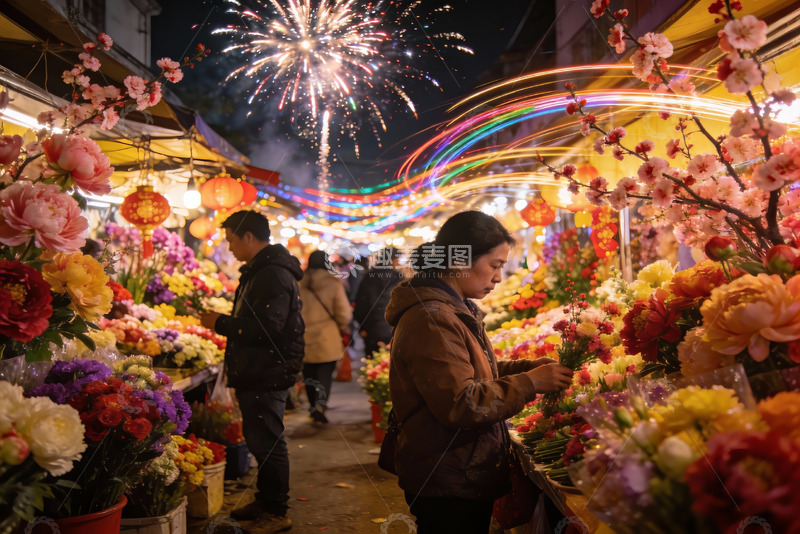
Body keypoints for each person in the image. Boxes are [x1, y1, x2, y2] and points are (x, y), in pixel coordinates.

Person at [384, 211, 574, 534]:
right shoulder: (433, 317)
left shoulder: (454, 307)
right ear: (460, 261)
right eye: (495, 265)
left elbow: (474, 373)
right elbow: (462, 402)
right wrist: (529, 383)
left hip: (458, 469)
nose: (499, 277)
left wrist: (530, 369)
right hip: (447, 477)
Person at [199, 210, 303, 533]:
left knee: (269, 442)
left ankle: (276, 511)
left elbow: (266, 329)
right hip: (259, 369)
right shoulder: (261, 270)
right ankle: (266, 500)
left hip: (267, 370)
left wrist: (220, 323)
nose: (229, 247)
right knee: (261, 442)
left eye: (231, 239)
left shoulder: (272, 273)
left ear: (248, 237)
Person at [298, 250, 352, 424]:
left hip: (304, 335)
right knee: (324, 374)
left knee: (308, 373)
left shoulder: (299, 284)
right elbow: (343, 313)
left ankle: (313, 405)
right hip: (326, 335)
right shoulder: (333, 283)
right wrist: (343, 325)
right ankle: (321, 406)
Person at [354, 246, 404, 358]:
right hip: (395, 330)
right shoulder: (400, 280)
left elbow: (360, 306)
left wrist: (363, 328)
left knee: (373, 367)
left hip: (372, 331)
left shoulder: (368, 277)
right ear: (393, 260)